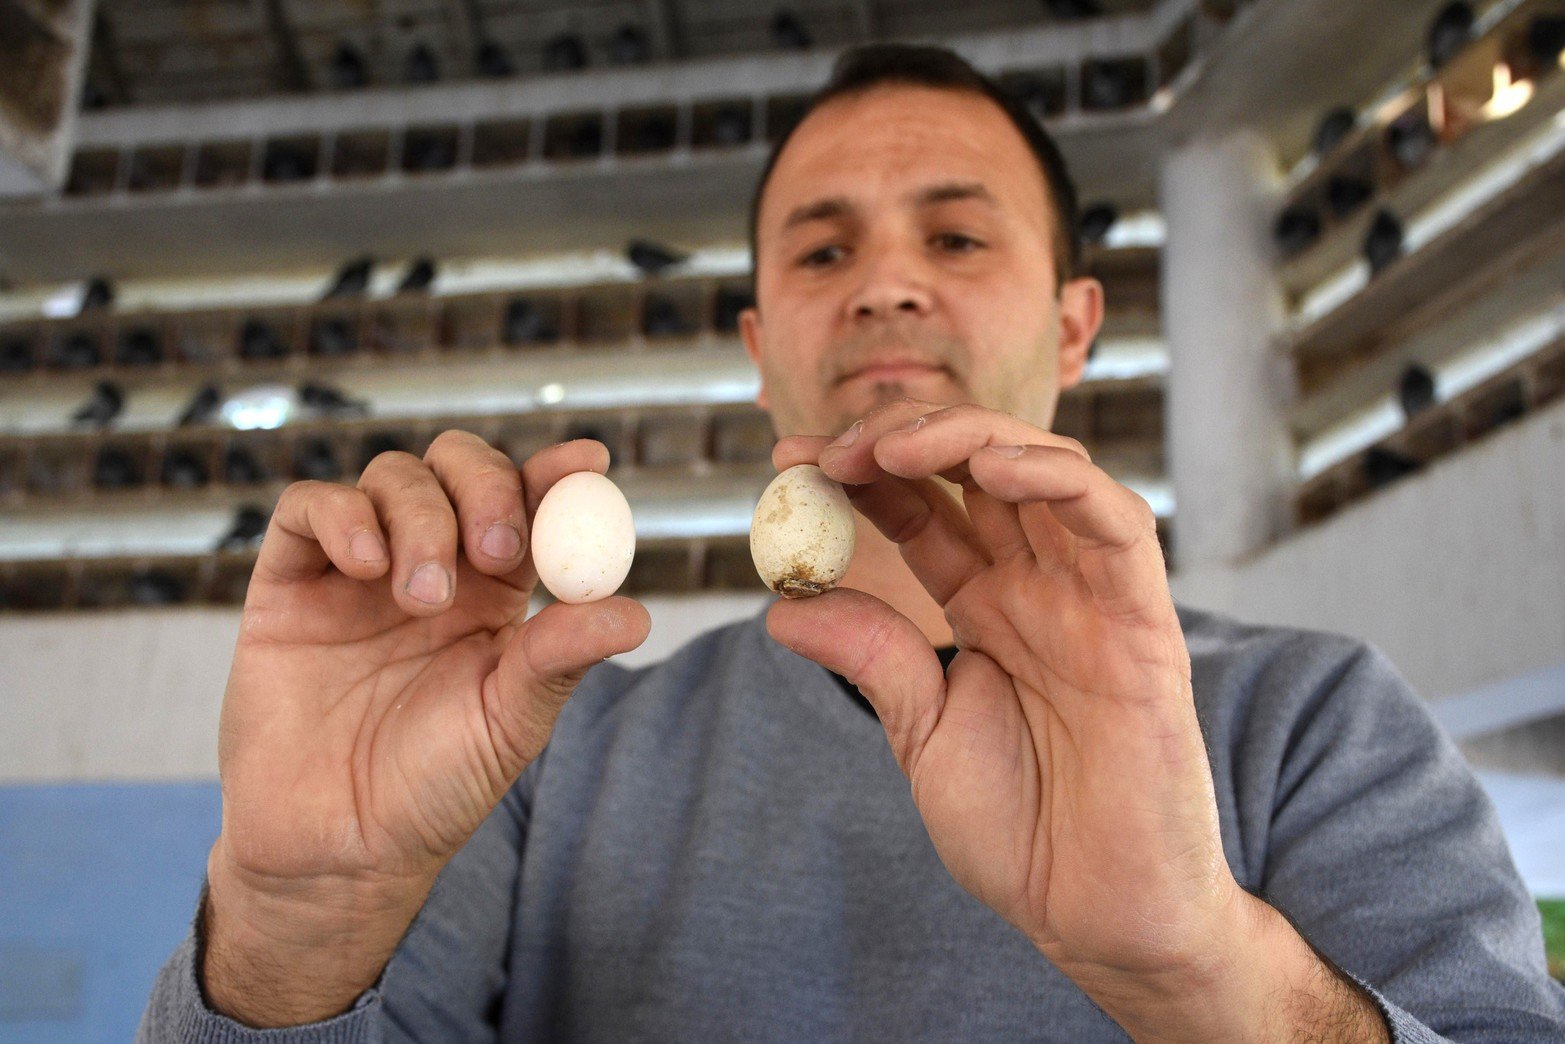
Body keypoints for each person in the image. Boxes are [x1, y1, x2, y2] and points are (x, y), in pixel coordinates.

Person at [139, 44, 1565, 1041]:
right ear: (761, 349)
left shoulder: (1312, 724)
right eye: (824, 252)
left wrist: (1202, 970)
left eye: (957, 239)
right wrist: (291, 927)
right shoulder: (537, 757)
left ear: (1073, 326)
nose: (884, 285)